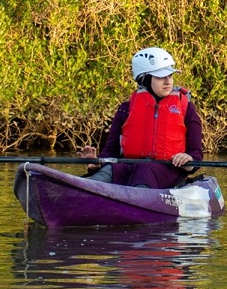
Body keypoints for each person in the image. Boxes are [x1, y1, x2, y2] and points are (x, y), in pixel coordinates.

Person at [78, 47, 204, 188]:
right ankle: (83, 189)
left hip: (167, 170)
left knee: (145, 170)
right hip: (129, 167)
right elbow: (111, 151)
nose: (168, 81)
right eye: (161, 77)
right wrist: (97, 163)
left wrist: (189, 160)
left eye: (170, 76)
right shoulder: (126, 109)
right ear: (145, 79)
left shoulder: (186, 108)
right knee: (110, 169)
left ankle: (135, 199)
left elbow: (196, 153)